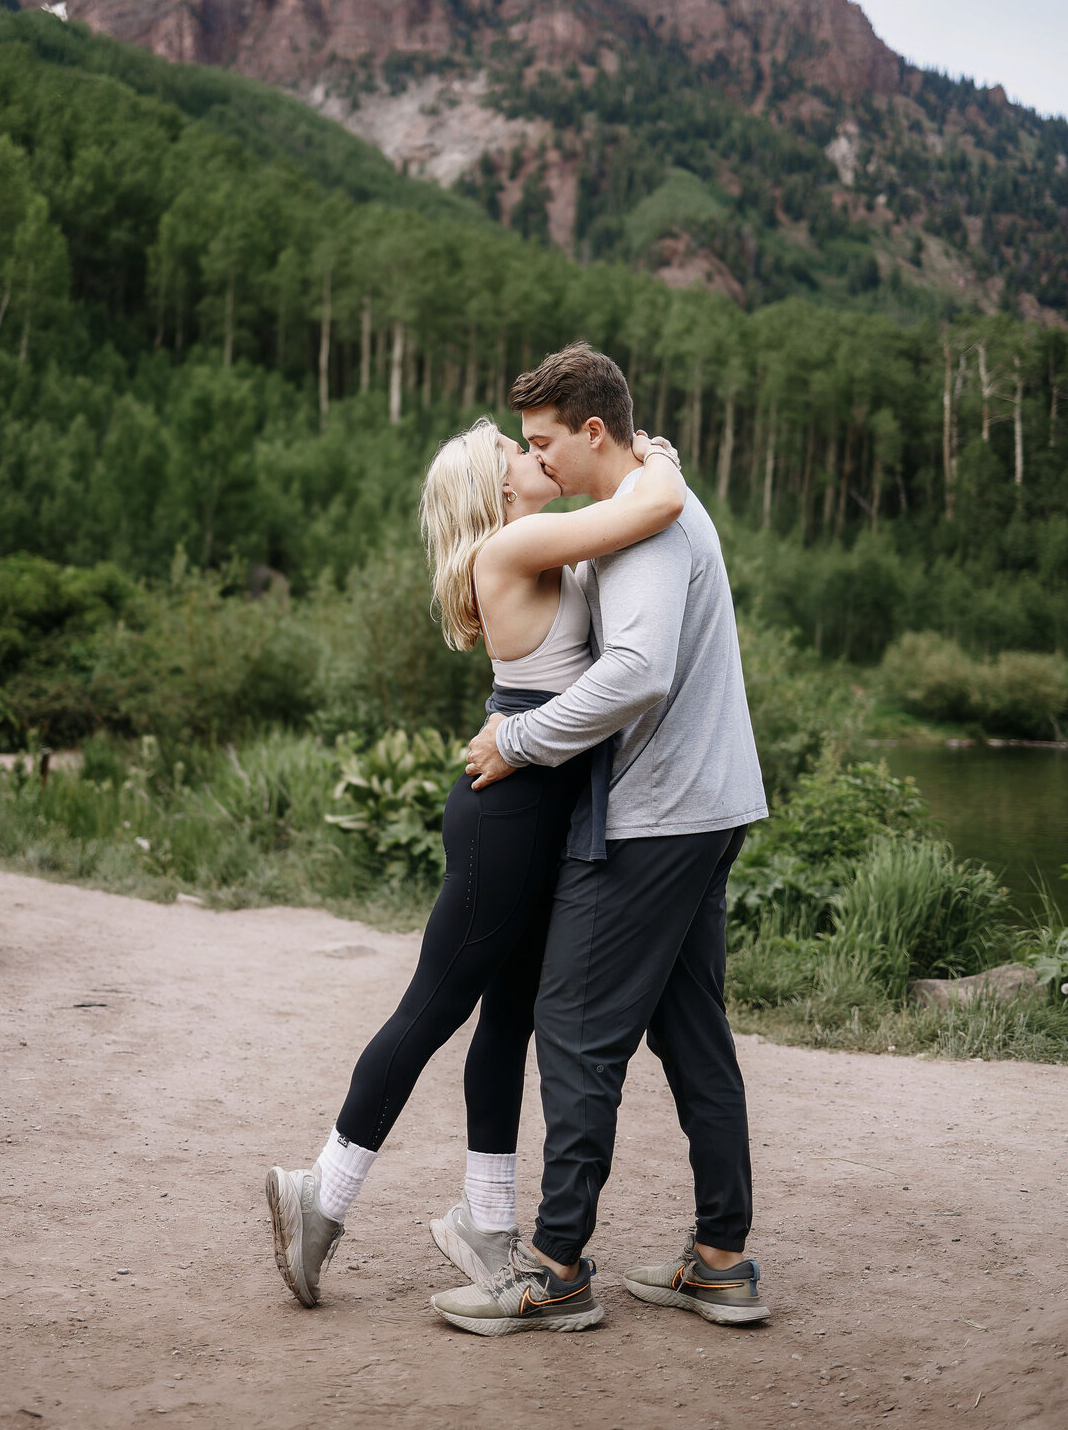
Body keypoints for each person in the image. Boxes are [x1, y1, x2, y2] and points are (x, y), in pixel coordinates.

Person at [265, 413, 686, 1310]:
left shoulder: (534, 546)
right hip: (509, 815)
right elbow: (655, 505)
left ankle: (487, 1225)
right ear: (500, 490)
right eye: (519, 454)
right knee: (431, 1009)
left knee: (507, 1024)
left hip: (539, 807)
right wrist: (660, 455)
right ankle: (321, 1196)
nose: (537, 457)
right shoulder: (521, 543)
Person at [430, 343, 769, 1336]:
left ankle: (555, 1265)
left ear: (591, 433)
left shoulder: (642, 538)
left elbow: (637, 675)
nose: (537, 464)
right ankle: (721, 1259)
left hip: (656, 815)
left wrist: (521, 739)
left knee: (573, 1027)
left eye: (544, 444)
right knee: (693, 1032)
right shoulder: (643, 502)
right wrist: (656, 457)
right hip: (705, 805)